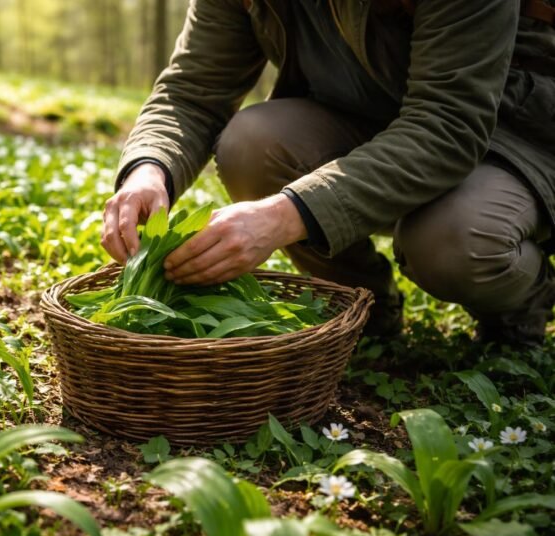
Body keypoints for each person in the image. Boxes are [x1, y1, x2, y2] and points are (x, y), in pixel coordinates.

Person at [101, 0, 555, 346]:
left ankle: (519, 311)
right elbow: (192, 91)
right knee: (252, 144)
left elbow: (448, 124)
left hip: (508, 132)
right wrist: (149, 169)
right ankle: (360, 304)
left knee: (453, 241)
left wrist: (284, 215)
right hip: (366, 116)